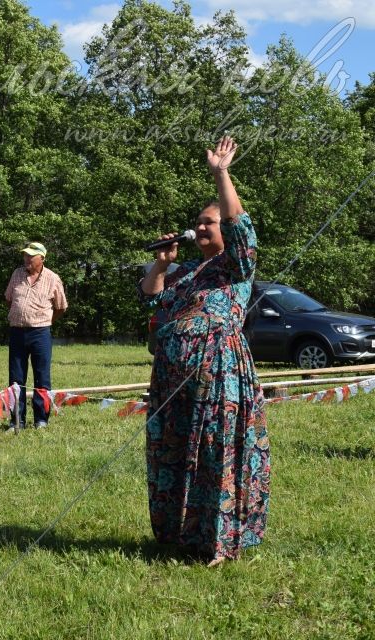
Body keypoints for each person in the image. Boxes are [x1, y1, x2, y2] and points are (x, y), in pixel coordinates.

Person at [139, 136, 270, 566]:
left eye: (207, 223)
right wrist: (162, 263)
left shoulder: (235, 266)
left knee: (214, 454)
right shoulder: (189, 273)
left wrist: (221, 173)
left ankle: (217, 540)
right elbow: (152, 299)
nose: (200, 228)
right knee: (173, 454)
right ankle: (178, 535)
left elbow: (240, 228)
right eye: (197, 222)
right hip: (172, 384)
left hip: (218, 376)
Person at [4, 242, 68, 430]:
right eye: (25, 255)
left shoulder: (53, 278)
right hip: (17, 331)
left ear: (42, 258)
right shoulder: (16, 274)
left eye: (31, 256)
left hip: (40, 333)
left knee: (42, 377)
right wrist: (21, 316)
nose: (26, 259)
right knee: (16, 378)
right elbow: (8, 299)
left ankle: (41, 419)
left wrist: (44, 320)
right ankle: (17, 420)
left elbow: (61, 307)